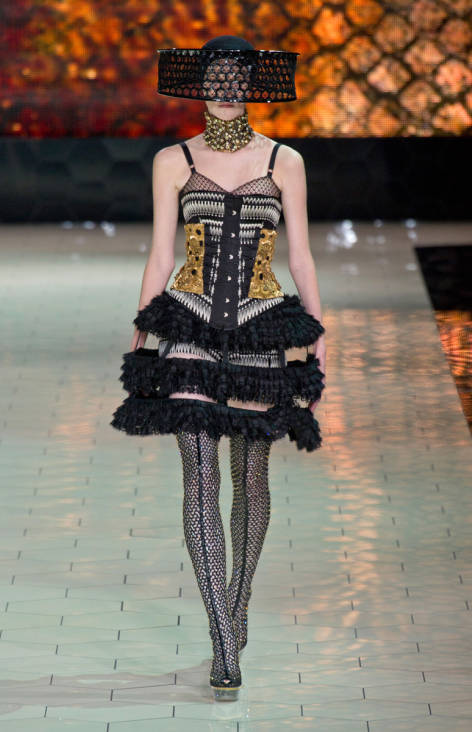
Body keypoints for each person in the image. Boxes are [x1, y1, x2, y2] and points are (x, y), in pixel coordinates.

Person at [111, 35, 326, 701]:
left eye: (238, 77)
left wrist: (319, 337)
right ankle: (222, 639)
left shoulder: (284, 161)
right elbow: (160, 253)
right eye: (218, 77)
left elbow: (301, 255)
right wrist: (142, 327)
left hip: (261, 325)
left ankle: (240, 598)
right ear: (201, 84)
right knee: (200, 476)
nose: (227, 88)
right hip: (189, 325)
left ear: (252, 84)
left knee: (250, 478)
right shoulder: (172, 161)